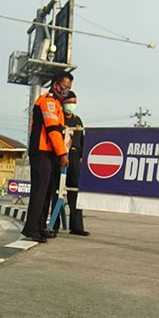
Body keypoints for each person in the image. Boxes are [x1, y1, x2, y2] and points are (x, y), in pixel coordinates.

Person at [22, 71, 72, 243]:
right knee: (40, 190)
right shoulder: (48, 101)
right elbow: (52, 130)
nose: (66, 91)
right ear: (56, 85)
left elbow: (60, 132)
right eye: (65, 87)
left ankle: (40, 226)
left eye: (69, 89)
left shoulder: (57, 104)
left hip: (50, 152)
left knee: (48, 190)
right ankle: (30, 228)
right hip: (41, 151)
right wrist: (62, 154)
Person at [51, 91, 90, 236]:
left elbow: (82, 140)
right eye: (69, 102)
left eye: (74, 102)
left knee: (75, 193)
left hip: (75, 159)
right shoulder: (59, 119)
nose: (72, 105)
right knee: (57, 191)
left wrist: (82, 156)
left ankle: (77, 226)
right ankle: (54, 225)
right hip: (60, 158)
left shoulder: (78, 120)